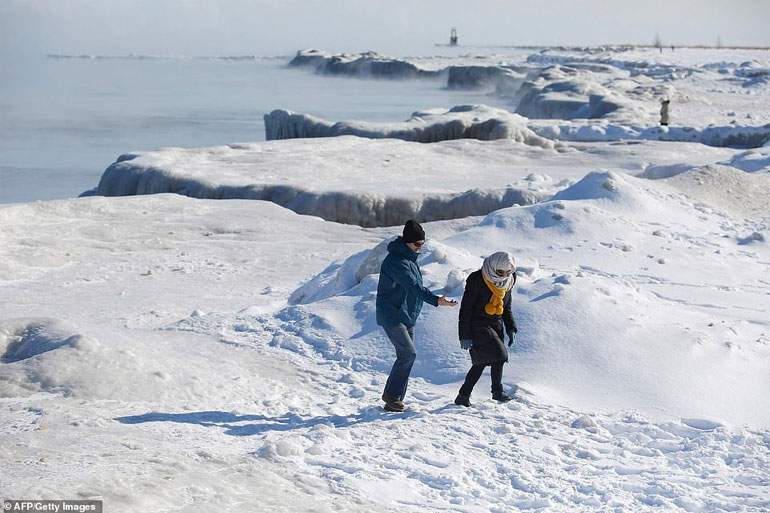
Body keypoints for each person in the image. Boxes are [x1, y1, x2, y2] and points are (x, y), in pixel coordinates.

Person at [376, 220, 457, 412]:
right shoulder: (397, 261)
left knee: (406, 356)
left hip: (405, 314)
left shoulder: (409, 259)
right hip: (391, 314)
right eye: (417, 244)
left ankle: (394, 400)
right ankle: (392, 396)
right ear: (407, 242)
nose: (420, 248)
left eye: (422, 244)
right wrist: (436, 301)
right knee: (408, 354)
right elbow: (414, 287)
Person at [455, 251, 518, 407]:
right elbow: (466, 309)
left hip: (496, 324)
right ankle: (497, 391)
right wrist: (464, 335)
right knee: (500, 355)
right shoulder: (477, 279)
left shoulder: (509, 280)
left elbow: (507, 306)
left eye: (507, 272)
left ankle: (463, 396)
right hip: (477, 325)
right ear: (492, 266)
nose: (503, 275)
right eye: (500, 272)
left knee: (481, 362)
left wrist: (510, 327)